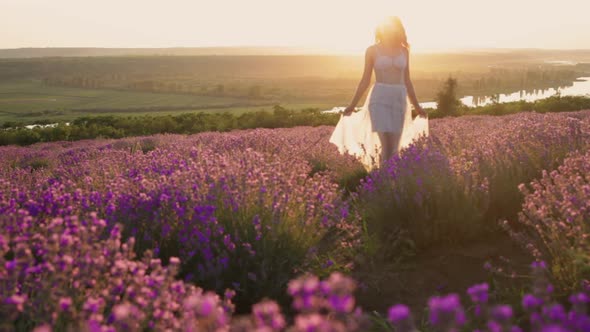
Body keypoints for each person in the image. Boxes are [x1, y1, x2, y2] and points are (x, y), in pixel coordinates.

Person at [329, 16, 429, 171]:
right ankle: (384, 182)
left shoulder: (404, 50)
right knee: (386, 145)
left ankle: (389, 183)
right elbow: (365, 80)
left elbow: (408, 81)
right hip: (379, 98)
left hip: (399, 98)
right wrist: (352, 105)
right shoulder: (372, 50)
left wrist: (417, 107)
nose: (390, 29)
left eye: (394, 27)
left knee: (394, 147)